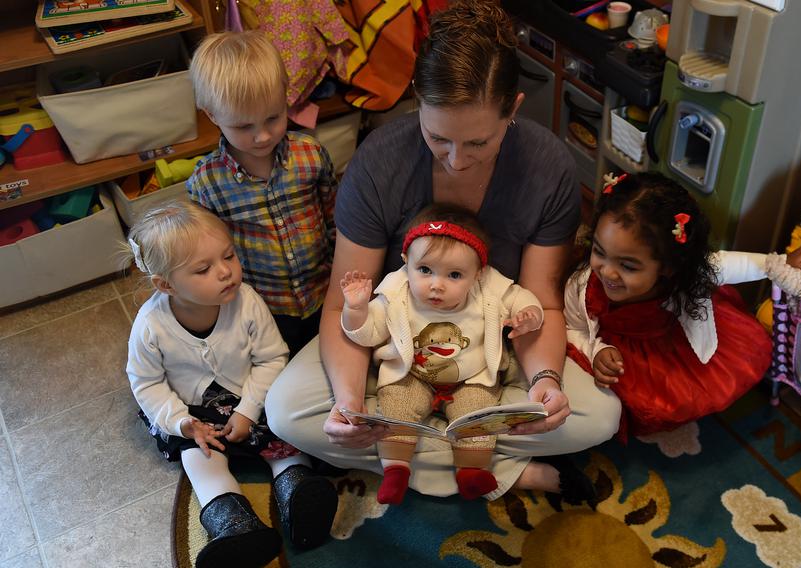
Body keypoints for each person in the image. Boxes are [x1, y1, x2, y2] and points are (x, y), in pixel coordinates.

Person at [265, 0, 622, 504]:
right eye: (437, 137)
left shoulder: (548, 168)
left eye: (478, 142)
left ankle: (407, 451)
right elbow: (341, 306)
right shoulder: (379, 163)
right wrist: (349, 404)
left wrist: (545, 380)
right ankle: (498, 468)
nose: (456, 160)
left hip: (494, 349)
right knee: (287, 411)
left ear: (514, 109)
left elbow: (541, 303)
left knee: (599, 417)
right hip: (392, 344)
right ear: (417, 100)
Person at [124, 202, 338, 568]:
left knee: (282, 432)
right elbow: (146, 382)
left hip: (251, 394)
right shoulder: (151, 326)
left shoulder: (247, 302)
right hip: (193, 411)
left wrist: (247, 409)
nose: (226, 272)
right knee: (199, 456)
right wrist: (181, 422)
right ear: (166, 285)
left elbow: (272, 358)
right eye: (204, 269)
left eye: (229, 256)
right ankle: (232, 523)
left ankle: (297, 490)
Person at [565, 172, 801, 441]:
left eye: (627, 266)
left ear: (669, 266)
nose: (608, 273)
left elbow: (728, 265)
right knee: (625, 400)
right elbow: (570, 328)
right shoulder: (583, 288)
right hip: (617, 353)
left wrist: (780, 263)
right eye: (599, 251)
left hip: (669, 342)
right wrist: (596, 351)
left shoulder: (687, 275)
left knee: (689, 392)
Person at [341, 204, 544, 504]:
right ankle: (396, 469)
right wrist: (356, 309)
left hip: (471, 378)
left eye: (454, 275)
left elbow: (521, 298)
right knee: (396, 404)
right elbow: (368, 333)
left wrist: (529, 315)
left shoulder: (488, 291)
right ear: (405, 262)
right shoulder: (395, 295)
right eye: (424, 270)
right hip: (411, 375)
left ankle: (470, 471)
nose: (436, 285)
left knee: (477, 413)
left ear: (478, 274)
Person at [186, 30, 337, 357]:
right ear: (213, 115)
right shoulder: (206, 183)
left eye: (273, 117)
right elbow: (209, 254)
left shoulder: (311, 155)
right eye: (243, 126)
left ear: (286, 97)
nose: (262, 136)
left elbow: (334, 219)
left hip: (325, 293)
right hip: (264, 308)